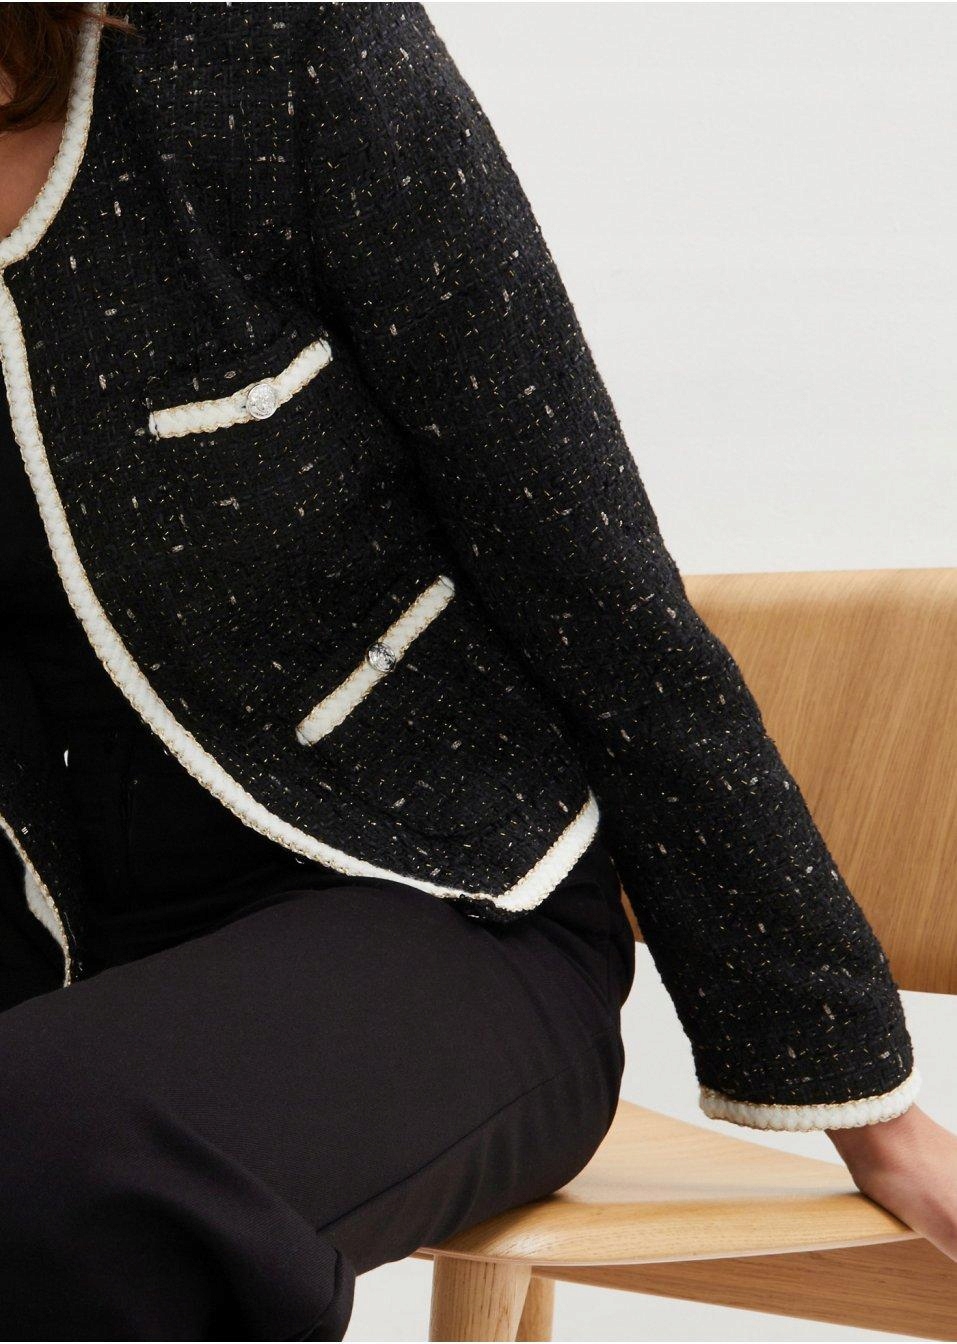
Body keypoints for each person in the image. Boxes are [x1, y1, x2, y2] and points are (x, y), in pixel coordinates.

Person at [0, 3, 952, 1338]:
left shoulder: (287, 52)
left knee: (45, 1153)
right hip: (56, 925)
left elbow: (588, 580)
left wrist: (857, 1091)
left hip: (437, 895)